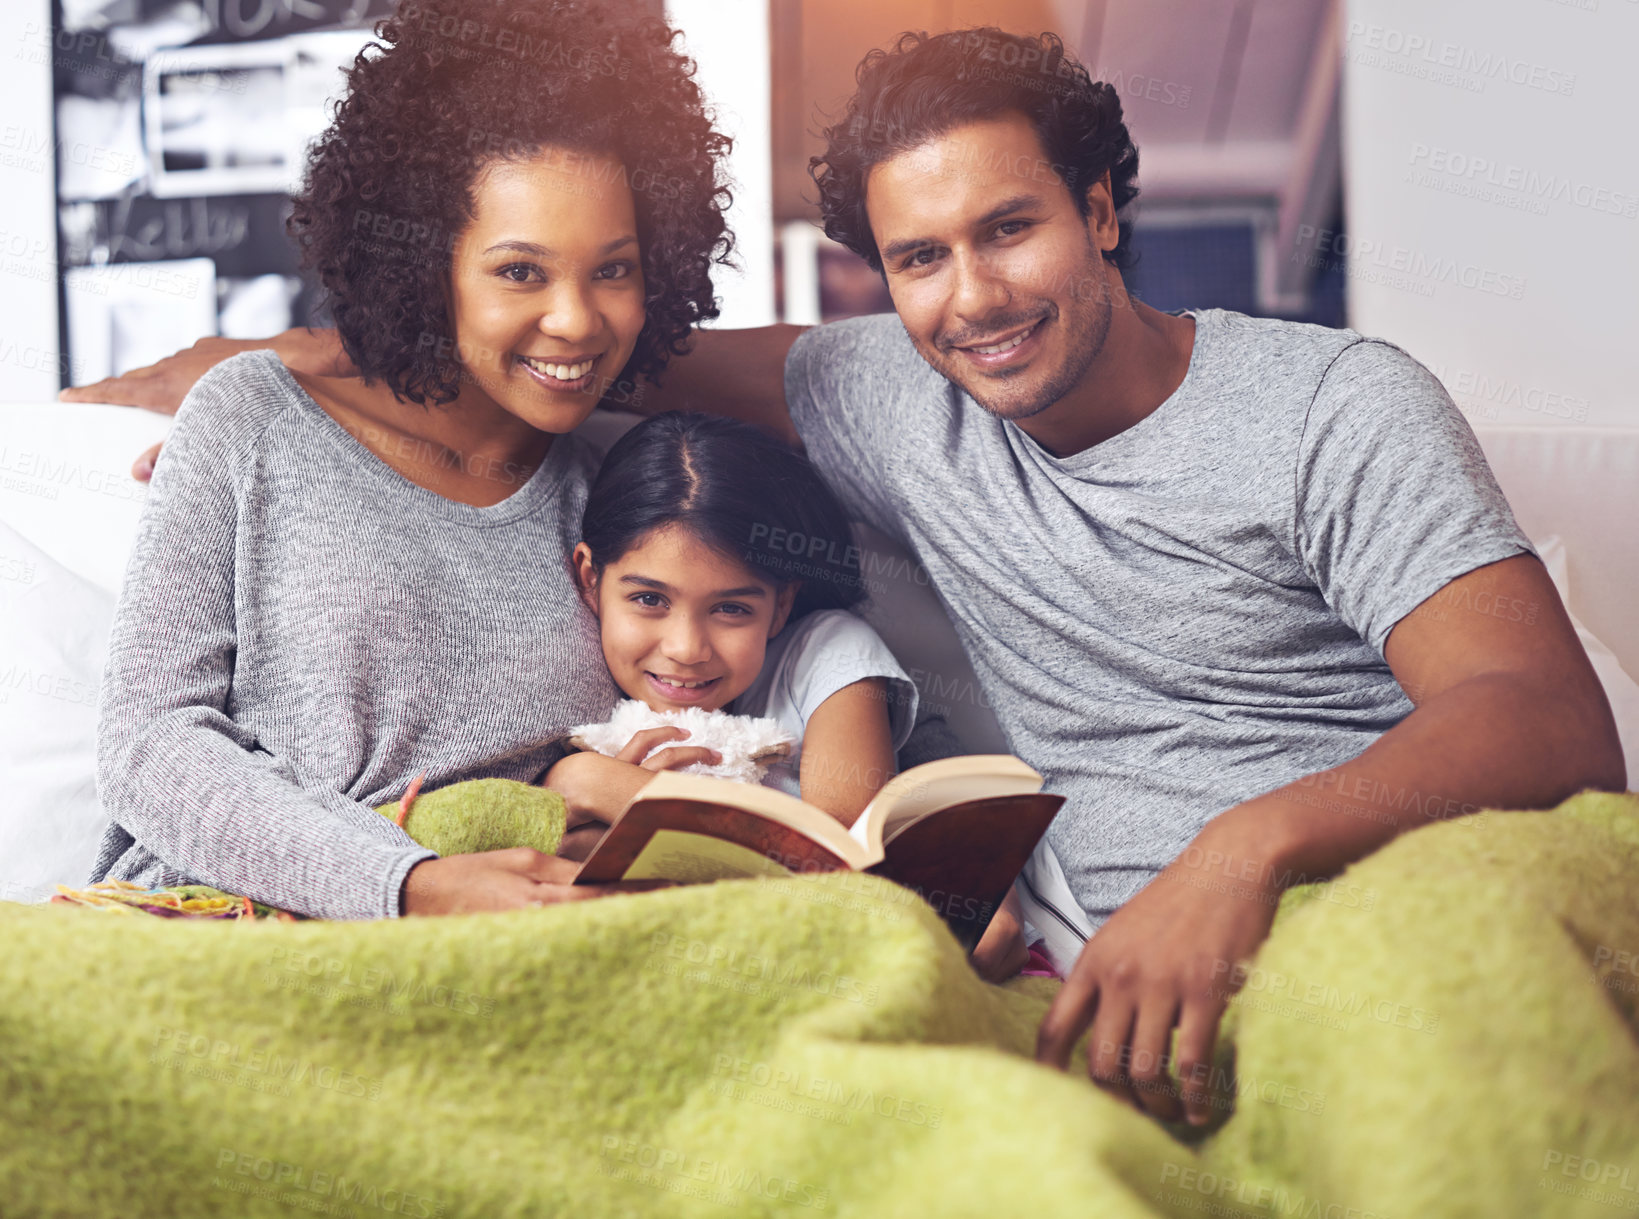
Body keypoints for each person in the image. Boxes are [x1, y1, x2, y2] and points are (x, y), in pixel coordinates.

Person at [75, 27, 1625, 1121]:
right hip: (1016, 958)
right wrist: (272, 354)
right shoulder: (882, 387)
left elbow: (1549, 719)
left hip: (1355, 874)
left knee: (1467, 1027)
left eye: (1008, 228)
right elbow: (157, 737)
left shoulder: (1329, 405)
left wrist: (1233, 855)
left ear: (1100, 211)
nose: (970, 298)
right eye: (916, 259)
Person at [88, 0, 737, 919]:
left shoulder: (624, 486)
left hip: (531, 946)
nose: (577, 320)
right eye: (521, 271)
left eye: (613, 269)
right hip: (237, 929)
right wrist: (411, 885)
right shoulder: (251, 420)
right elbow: (150, 746)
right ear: (429, 265)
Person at [545, 410, 920, 849]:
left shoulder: (830, 652)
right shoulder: (579, 686)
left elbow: (833, 858)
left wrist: (599, 786)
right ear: (590, 579)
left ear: (781, 605)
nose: (686, 649)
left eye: (730, 608)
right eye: (650, 600)